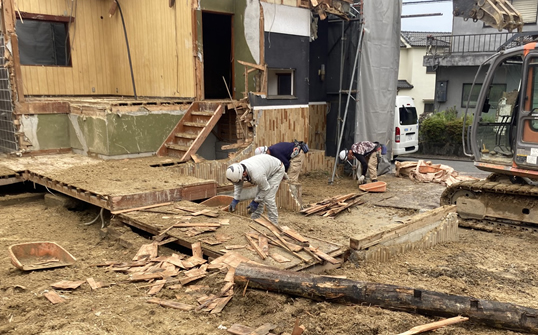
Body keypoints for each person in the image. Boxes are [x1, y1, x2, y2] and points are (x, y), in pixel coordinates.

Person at [226, 154, 286, 224]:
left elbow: (266, 189)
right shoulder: (239, 169)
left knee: (268, 198)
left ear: (244, 174)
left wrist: (255, 201)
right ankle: (255, 219)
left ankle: (274, 223)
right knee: (259, 195)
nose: (240, 181)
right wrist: (235, 199)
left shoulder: (256, 175)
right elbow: (238, 184)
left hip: (276, 170)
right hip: (264, 168)